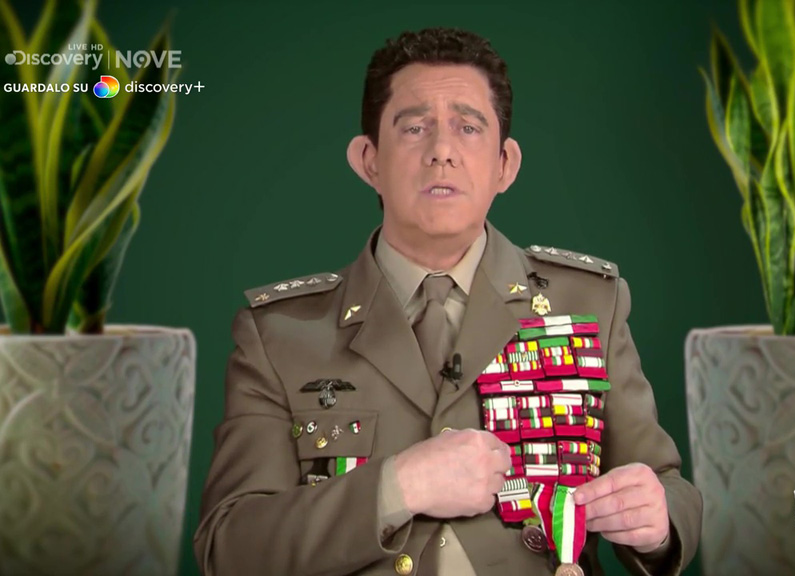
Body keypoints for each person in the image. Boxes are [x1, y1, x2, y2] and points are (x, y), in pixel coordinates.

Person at [194, 27, 702, 576]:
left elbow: (669, 488)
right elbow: (230, 547)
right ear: (369, 160)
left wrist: (657, 521)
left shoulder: (591, 302)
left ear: (505, 165)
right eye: (414, 128)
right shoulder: (281, 334)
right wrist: (397, 487)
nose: (441, 151)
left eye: (468, 127)